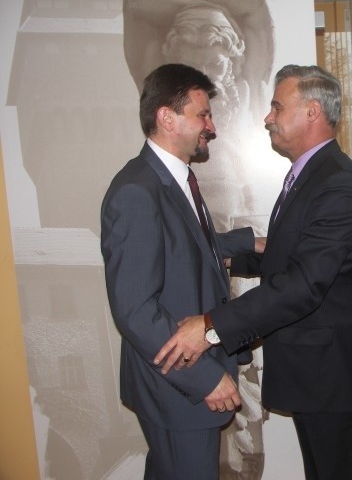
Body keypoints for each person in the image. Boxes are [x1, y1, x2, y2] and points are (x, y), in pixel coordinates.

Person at [154, 64, 352, 480]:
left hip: (334, 376)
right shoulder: (310, 175)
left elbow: (302, 285)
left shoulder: (339, 186)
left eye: (277, 107)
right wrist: (229, 257)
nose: (268, 118)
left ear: (312, 112)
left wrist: (209, 327)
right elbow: (293, 259)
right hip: (318, 374)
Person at [100, 63, 260, 480]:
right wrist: (205, 379)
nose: (212, 127)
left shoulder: (174, 179)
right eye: (202, 115)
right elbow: (135, 310)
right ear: (167, 118)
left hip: (178, 382)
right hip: (177, 385)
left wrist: (249, 242)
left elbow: (183, 247)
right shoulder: (137, 191)